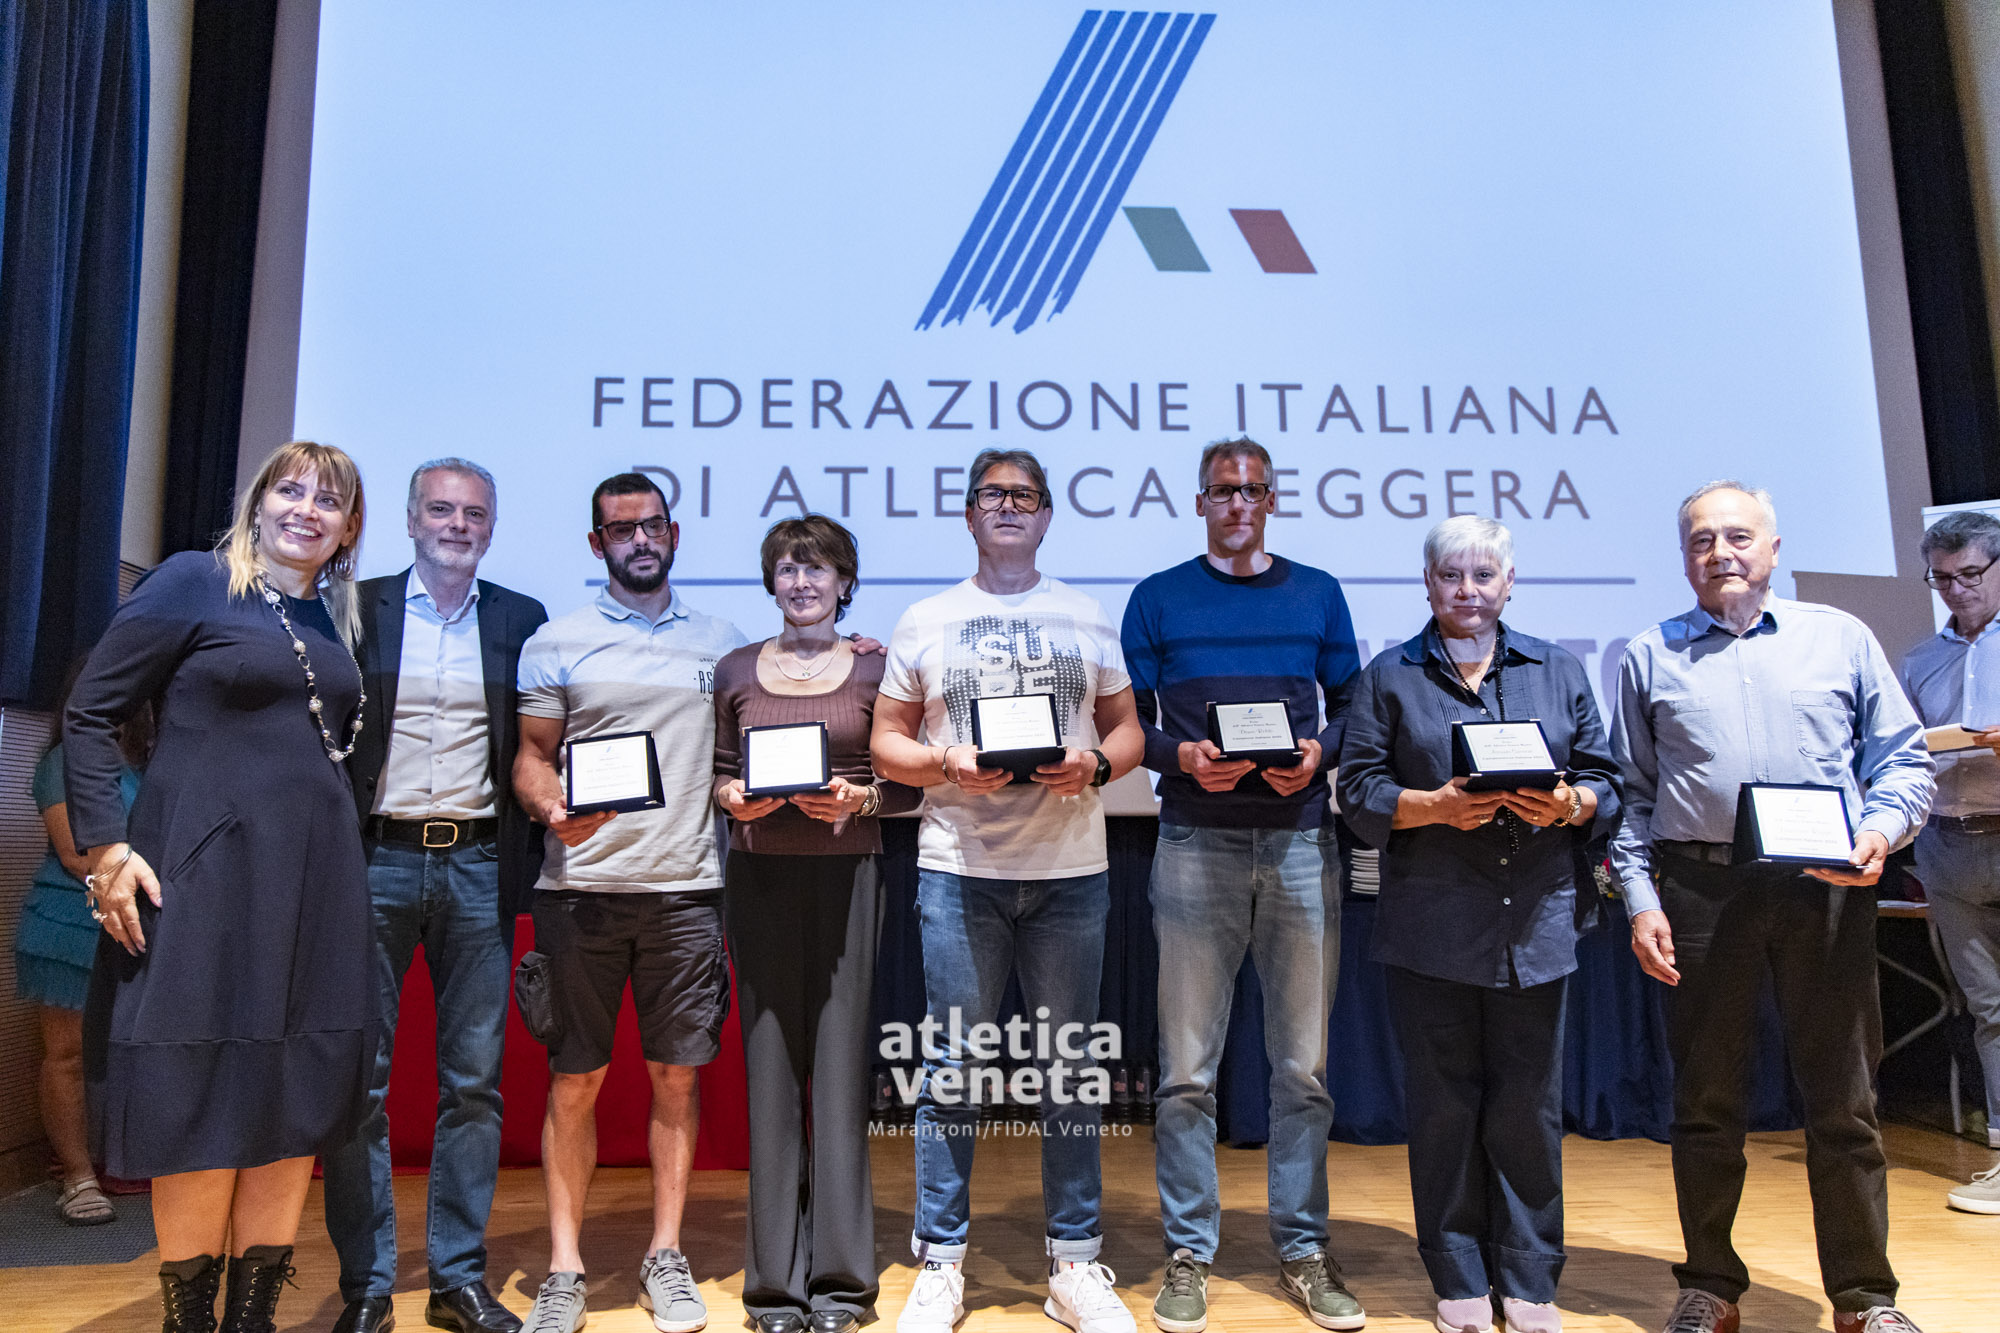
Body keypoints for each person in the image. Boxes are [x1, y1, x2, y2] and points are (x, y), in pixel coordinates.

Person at [65, 440, 378, 1333]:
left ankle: (252, 1320)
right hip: (202, 888)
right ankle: (190, 1321)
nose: (306, 509)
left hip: (316, 892)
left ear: (349, 527)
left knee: (291, 1097)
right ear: (258, 499)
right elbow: (89, 710)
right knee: (197, 1096)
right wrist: (106, 849)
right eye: (290, 489)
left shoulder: (334, 616)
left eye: (328, 500)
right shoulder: (194, 582)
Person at [1610, 481, 1934, 1333]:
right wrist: (1639, 899)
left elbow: (1904, 762)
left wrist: (1880, 831)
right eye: (1701, 540)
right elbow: (1630, 795)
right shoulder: (1649, 654)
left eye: (1738, 536)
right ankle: (1709, 1286)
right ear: (1684, 557)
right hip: (1701, 888)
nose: (1720, 552)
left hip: (1824, 885)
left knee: (1844, 1100)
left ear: (1775, 548)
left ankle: (1865, 1297)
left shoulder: (1841, 638)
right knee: (1706, 1100)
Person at [871, 447, 1147, 1333]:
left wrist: (1096, 764)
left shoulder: (1086, 614)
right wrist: (943, 760)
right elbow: (886, 742)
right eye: (992, 494)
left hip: (1071, 872)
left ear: (1047, 512)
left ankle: (1074, 1262)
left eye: (1024, 494)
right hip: (960, 869)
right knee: (953, 1070)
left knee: (1070, 1068)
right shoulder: (927, 618)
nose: (1008, 506)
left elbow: (1128, 731)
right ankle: (941, 1262)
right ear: (968, 514)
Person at [1337, 517, 1619, 1333]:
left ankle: (1529, 1276)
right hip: (1432, 927)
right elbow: (1357, 790)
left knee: (1528, 1110)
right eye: (1450, 575)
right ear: (1427, 583)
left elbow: (1607, 781)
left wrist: (1571, 802)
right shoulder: (1390, 675)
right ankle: (1457, 1269)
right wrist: (1431, 807)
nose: (1467, 590)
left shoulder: (1557, 668)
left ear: (1509, 582)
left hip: (1538, 924)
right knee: (1443, 1108)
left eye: (1483, 575)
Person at [1119, 437, 1365, 1333]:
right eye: (1224, 490)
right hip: (1194, 838)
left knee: (1303, 1069)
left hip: (1300, 840)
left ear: (1271, 500)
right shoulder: (1157, 597)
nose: (1237, 503)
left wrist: (1319, 754)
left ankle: (1302, 1249)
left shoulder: (1318, 592)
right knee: (1187, 1072)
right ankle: (1189, 1253)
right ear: (1200, 501)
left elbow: (1354, 709)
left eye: (1253, 490)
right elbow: (1128, 723)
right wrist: (1179, 756)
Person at [511, 472, 747, 1333]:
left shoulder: (724, 644)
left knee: (676, 1077)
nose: (639, 539)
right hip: (580, 891)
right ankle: (565, 1267)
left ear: (673, 534)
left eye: (652, 526)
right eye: (621, 529)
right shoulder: (556, 641)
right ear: (597, 542)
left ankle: (665, 1255)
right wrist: (550, 807)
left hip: (688, 890)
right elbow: (533, 756)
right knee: (575, 1079)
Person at [323, 458, 549, 1333]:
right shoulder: (355, 607)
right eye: (441, 510)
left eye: (474, 513)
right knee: (361, 1081)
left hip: (479, 865)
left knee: (474, 1086)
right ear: (411, 519)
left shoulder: (520, 619)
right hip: (371, 861)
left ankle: (457, 1278)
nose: (458, 524)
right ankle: (368, 1286)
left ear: (491, 526)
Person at [712, 515, 918, 1333]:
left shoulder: (877, 667)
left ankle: (841, 1285)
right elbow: (719, 774)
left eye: (818, 568)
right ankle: (773, 1288)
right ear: (772, 581)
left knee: (837, 1075)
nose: (802, 582)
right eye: (789, 569)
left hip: (847, 876)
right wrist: (731, 797)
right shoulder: (735, 668)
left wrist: (862, 798)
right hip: (758, 875)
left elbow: (908, 784)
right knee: (769, 1071)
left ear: (845, 582)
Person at [17, 662, 150, 1227]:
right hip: (68, 924)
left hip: (134, 923)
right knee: (67, 1055)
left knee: (130, 1051)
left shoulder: (142, 762)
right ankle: (77, 1178)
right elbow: (77, 854)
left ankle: (121, 1163)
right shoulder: (61, 760)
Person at [1897, 509, 2000, 1215]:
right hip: (1948, 842)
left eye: (1970, 574)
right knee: (1989, 1007)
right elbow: (1899, 756)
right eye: (1942, 579)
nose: (1957, 590)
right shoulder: (1917, 662)